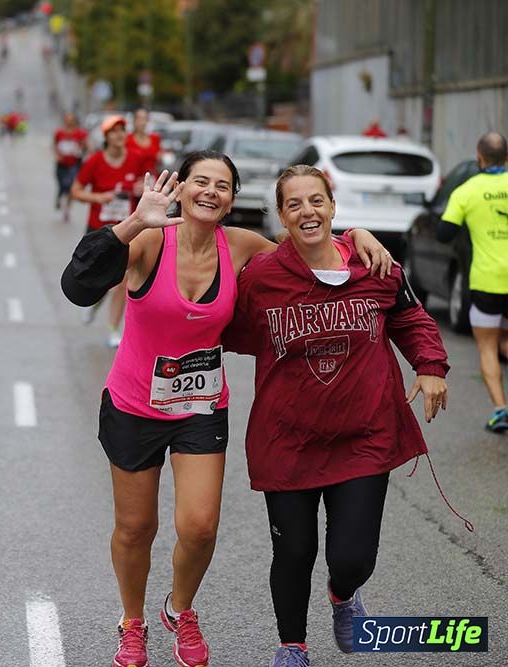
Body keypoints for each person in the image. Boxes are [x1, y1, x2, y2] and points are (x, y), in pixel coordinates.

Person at [60, 152, 392, 667]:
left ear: (232, 199)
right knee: (136, 528)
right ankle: (132, 622)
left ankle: (181, 609)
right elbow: (77, 288)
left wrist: (359, 236)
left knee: (199, 527)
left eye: (222, 185)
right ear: (182, 188)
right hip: (133, 405)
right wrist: (128, 225)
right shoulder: (150, 240)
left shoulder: (240, 246)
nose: (210, 192)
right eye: (201, 182)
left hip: (200, 406)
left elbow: (309, 244)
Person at [223, 164, 454, 667]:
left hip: (365, 436)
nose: (307, 211)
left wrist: (431, 366)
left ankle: (342, 595)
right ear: (281, 216)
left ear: (332, 205)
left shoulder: (376, 265)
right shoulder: (262, 279)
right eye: (294, 204)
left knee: (352, 557)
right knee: (293, 552)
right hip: (287, 440)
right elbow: (227, 328)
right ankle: (292, 647)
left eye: (316, 201)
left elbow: (409, 315)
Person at [437, 132, 508, 432]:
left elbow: (443, 234)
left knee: (489, 347)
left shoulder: (467, 191)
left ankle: (501, 410)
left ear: (479, 158)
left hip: (487, 281)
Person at [69, 115, 144, 347]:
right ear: (106, 136)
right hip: (98, 230)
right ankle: (94, 304)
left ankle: (113, 329)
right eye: (114, 131)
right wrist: (98, 197)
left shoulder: (136, 158)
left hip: (128, 228)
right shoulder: (94, 161)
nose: (120, 135)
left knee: (122, 280)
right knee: (100, 279)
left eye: (123, 130)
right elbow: (76, 191)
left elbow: (146, 184)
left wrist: (142, 188)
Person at [53, 112, 89, 223]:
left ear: (74, 121)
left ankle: (67, 210)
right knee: (62, 185)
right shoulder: (59, 133)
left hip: (75, 164)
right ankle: (59, 197)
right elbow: (54, 145)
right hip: (62, 164)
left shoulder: (80, 133)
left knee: (70, 187)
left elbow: (87, 145)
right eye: (67, 119)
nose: (69, 121)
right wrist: (57, 155)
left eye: (71, 119)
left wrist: (82, 148)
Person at [127, 108, 162, 177]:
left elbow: (159, 160)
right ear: (134, 120)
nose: (142, 122)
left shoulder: (155, 138)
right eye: (139, 118)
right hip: (134, 179)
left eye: (145, 118)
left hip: (153, 179)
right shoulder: (127, 139)